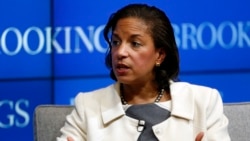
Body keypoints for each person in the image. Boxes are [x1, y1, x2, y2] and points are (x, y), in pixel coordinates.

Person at [57, 3, 230, 141]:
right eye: (116, 42)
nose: (120, 52)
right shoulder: (88, 106)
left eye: (135, 44)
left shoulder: (203, 102)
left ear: (160, 55)